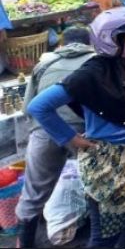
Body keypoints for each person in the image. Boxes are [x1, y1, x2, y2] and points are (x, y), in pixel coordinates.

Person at [27, 8, 125, 248]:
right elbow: (39, 107)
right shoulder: (91, 73)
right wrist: (71, 138)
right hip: (109, 166)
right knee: (105, 235)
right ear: (111, 40)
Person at [15, 26, 94, 248]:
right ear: (90, 43)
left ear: (61, 44)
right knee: (99, 184)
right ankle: (99, 237)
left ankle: (24, 244)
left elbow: (28, 108)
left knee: (32, 195)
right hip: (84, 130)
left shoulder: (44, 64)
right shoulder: (97, 61)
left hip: (45, 129)